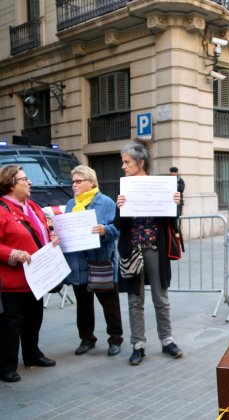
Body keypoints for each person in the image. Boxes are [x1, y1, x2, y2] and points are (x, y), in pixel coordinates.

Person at [116, 139, 183, 366]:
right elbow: (119, 226)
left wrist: (176, 203)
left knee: (160, 298)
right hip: (132, 250)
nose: (123, 166)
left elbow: (171, 221)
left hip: (156, 248)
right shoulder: (124, 187)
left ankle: (167, 340)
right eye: (122, 162)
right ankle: (138, 344)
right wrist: (120, 208)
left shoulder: (159, 185)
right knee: (135, 300)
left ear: (140, 162)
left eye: (127, 162)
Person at [0, 165, 59, 383]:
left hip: (36, 279)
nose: (30, 182)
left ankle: (32, 355)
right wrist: (13, 253)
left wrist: (52, 236)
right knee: (11, 325)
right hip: (12, 282)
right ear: (10, 183)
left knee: (34, 320)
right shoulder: (1, 209)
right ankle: (6, 365)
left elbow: (46, 228)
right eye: (25, 179)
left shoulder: (32, 206)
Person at [62, 165, 123, 357]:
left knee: (109, 302)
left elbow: (118, 229)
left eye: (78, 181)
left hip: (100, 260)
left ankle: (115, 338)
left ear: (91, 182)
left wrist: (105, 230)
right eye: (73, 181)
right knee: (83, 304)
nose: (74, 185)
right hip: (78, 263)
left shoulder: (106, 203)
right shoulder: (71, 204)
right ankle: (87, 338)